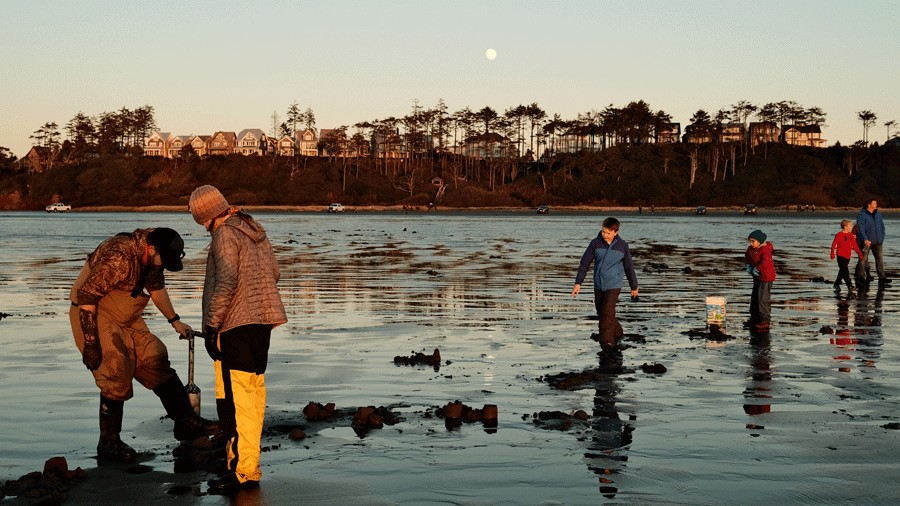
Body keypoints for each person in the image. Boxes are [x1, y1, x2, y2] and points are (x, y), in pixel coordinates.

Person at [69, 227, 220, 462]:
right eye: (163, 260)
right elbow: (87, 296)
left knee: (155, 356)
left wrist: (175, 321)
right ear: (151, 249)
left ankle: (186, 423)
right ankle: (108, 443)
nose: (162, 265)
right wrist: (90, 343)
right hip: (94, 313)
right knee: (116, 370)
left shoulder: (152, 259)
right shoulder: (119, 256)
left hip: (127, 317)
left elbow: (157, 290)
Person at [188, 185, 287, 495]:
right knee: (252, 396)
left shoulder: (224, 235)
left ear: (206, 215)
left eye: (201, 221)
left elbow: (226, 281)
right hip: (262, 323)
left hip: (236, 326)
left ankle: (244, 472)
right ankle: (241, 463)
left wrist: (212, 327)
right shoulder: (253, 227)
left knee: (239, 400)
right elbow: (275, 272)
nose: (203, 228)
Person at [571, 217, 639, 351]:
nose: (605, 235)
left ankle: (607, 344)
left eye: (608, 233)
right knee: (603, 313)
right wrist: (578, 283)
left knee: (607, 311)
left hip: (614, 285)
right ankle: (618, 333)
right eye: (603, 232)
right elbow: (585, 263)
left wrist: (634, 286)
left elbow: (629, 267)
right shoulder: (595, 243)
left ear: (615, 232)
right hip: (598, 284)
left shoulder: (622, 246)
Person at [744, 229, 776, 333]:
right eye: (750, 241)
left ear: (759, 241)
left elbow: (765, 263)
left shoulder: (765, 250)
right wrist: (748, 265)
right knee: (755, 297)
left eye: (753, 241)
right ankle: (754, 318)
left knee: (763, 298)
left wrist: (757, 268)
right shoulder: (751, 249)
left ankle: (765, 321)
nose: (751, 243)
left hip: (766, 277)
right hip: (756, 276)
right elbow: (748, 256)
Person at [854, 198, 890, 287]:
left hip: (878, 241)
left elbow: (882, 226)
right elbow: (861, 228)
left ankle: (882, 277)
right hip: (866, 242)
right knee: (862, 260)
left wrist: (882, 237)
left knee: (880, 260)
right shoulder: (862, 215)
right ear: (869, 204)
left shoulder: (878, 214)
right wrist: (865, 239)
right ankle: (860, 277)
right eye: (875, 203)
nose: (876, 204)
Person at [830, 219, 863, 295]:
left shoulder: (851, 235)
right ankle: (850, 286)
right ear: (845, 227)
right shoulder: (839, 235)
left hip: (848, 256)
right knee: (845, 270)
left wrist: (860, 254)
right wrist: (832, 254)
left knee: (842, 271)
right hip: (840, 255)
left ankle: (837, 283)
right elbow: (834, 245)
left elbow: (855, 246)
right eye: (850, 225)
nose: (851, 227)